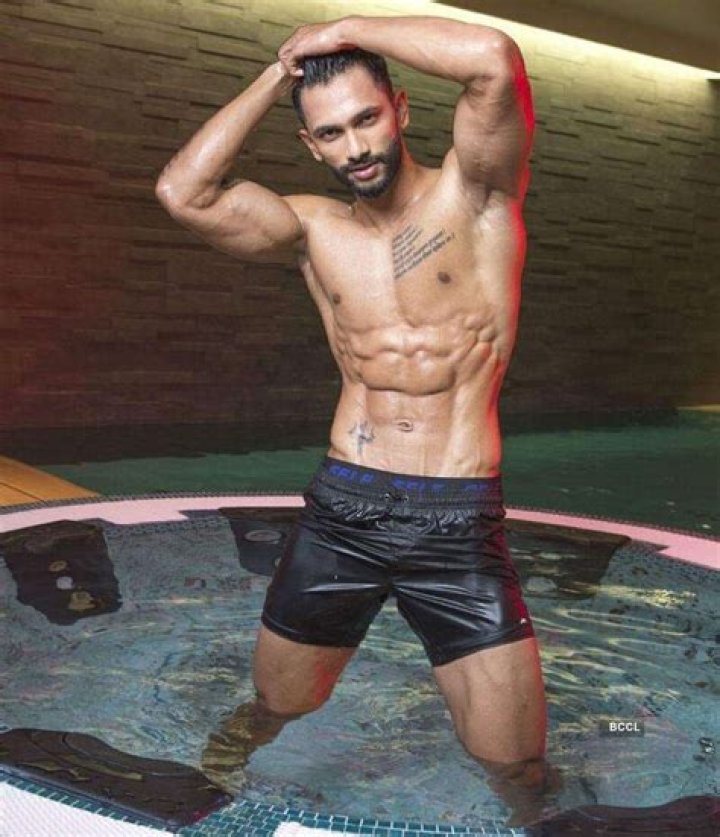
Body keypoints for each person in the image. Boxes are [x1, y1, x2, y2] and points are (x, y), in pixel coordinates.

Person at [156, 13, 560, 826]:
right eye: (332, 133)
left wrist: (340, 29)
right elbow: (182, 193)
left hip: (454, 518)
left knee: (514, 759)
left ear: (400, 109)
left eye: (367, 118)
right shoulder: (312, 229)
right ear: (311, 146)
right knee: (278, 705)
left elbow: (493, 58)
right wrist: (279, 73)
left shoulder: (477, 194)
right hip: (344, 511)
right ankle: (222, 776)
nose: (356, 147)